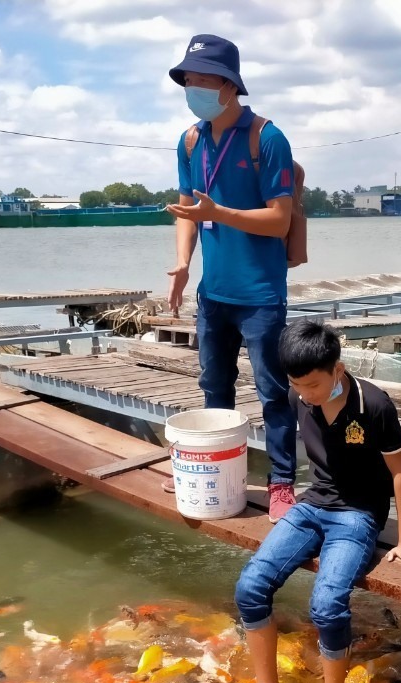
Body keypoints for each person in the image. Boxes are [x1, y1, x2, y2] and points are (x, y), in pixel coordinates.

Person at [233, 320, 401, 683]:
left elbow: (400, 472)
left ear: (338, 369)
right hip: (311, 506)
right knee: (250, 587)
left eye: (313, 385)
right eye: (297, 385)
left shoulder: (374, 405)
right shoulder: (298, 396)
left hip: (357, 515)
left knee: (326, 606)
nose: (305, 394)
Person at [165, 34, 298, 522]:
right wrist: (183, 263)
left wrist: (219, 212)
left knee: (273, 393)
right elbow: (187, 211)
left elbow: (279, 220)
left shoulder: (267, 138)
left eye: (203, 80)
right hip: (213, 294)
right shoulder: (190, 141)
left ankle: (282, 482)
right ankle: (218, 467)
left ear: (229, 85)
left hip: (260, 295)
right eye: (188, 81)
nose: (193, 89)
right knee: (213, 386)